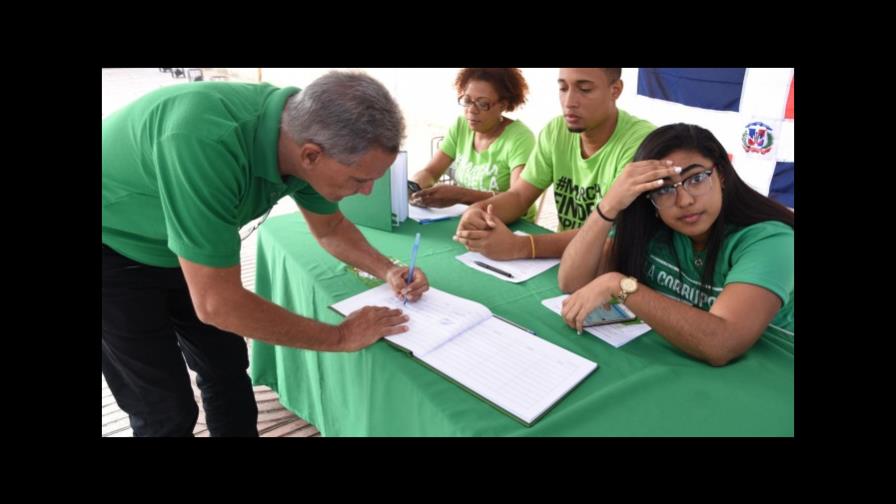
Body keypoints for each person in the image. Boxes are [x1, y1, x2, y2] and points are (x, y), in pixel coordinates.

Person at [102, 71, 430, 437]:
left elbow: (332, 229)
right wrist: (340, 336)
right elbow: (217, 304)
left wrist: (388, 270)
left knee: (226, 368)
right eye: (359, 180)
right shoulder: (204, 141)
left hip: (181, 241)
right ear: (311, 155)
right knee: (164, 408)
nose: (368, 191)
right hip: (113, 245)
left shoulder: (301, 131)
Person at [557, 123, 794, 366]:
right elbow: (571, 283)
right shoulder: (654, 225)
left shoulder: (771, 240)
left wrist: (620, 285)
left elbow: (723, 343)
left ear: (721, 175)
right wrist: (609, 205)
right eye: (665, 189)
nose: (685, 200)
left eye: (697, 179)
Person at [453, 68, 655, 260]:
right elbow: (520, 196)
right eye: (563, 88)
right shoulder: (556, 131)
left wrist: (521, 246)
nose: (569, 102)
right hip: (562, 260)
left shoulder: (641, 142)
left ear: (615, 91)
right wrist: (478, 211)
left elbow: (613, 234)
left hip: (612, 269)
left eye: (584, 89)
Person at [409, 68, 537, 221]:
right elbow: (430, 172)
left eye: (483, 104)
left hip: (509, 225)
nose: (471, 110)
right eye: (467, 101)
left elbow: (518, 200)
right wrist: (413, 187)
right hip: (469, 218)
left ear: (503, 105)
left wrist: (460, 195)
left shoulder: (519, 138)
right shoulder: (461, 126)